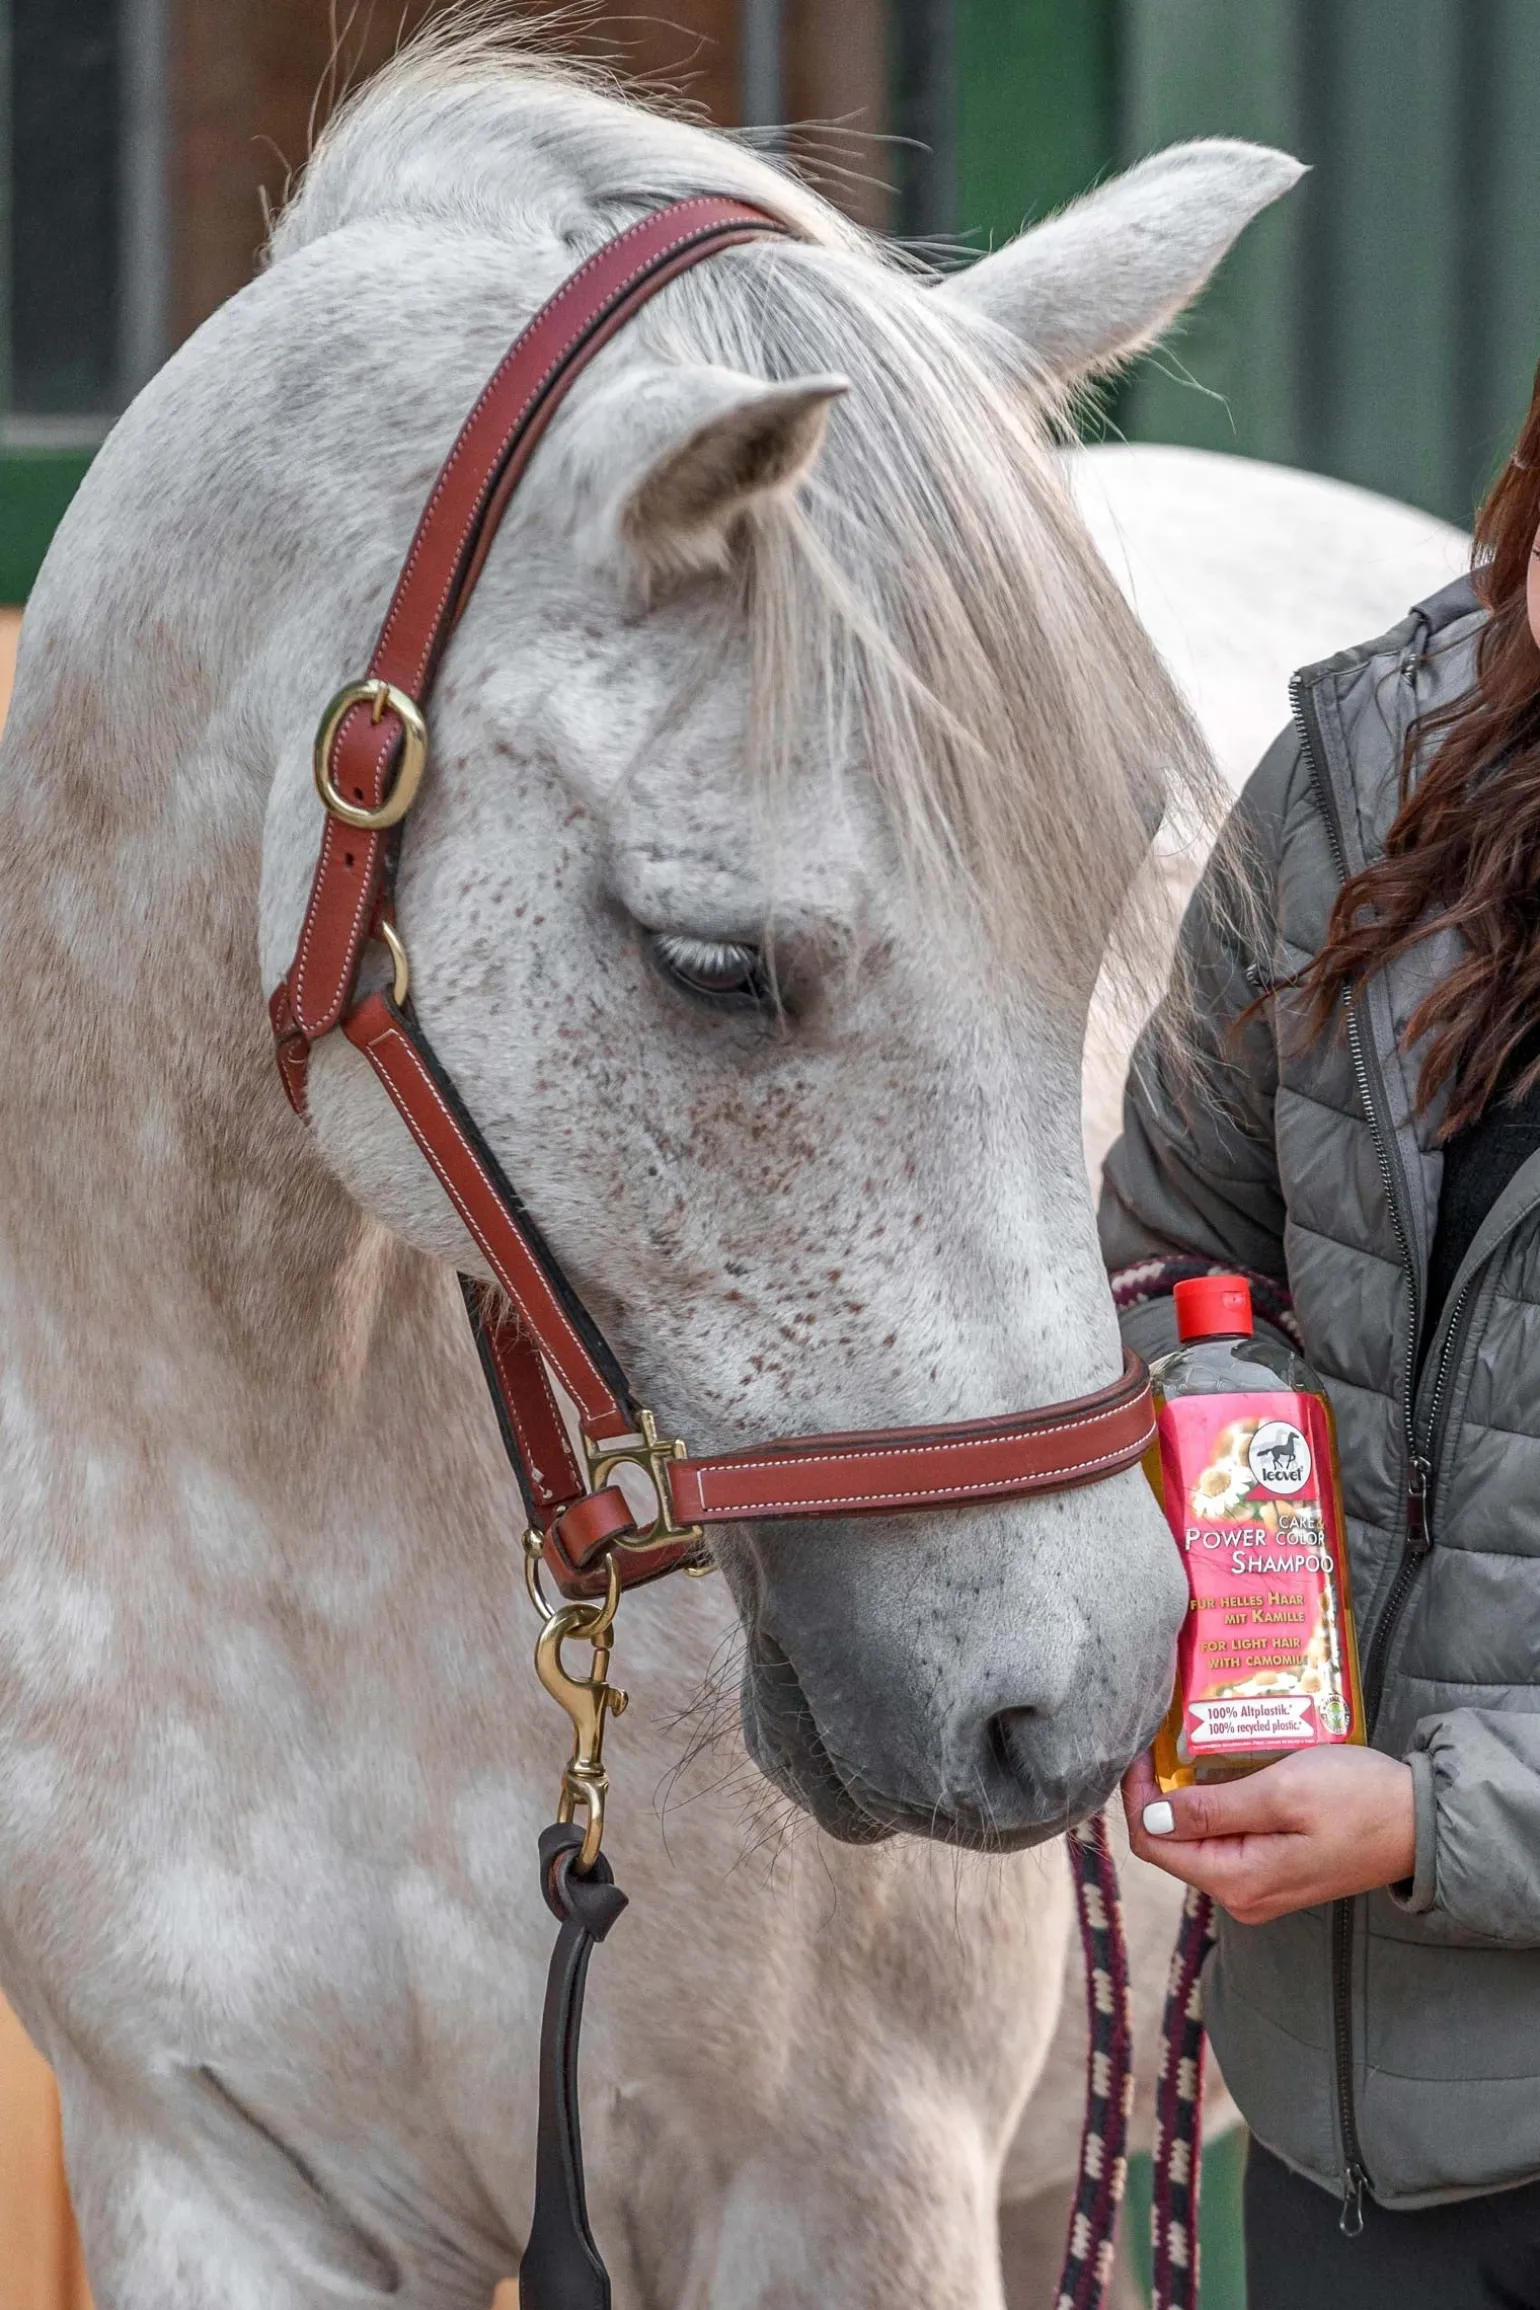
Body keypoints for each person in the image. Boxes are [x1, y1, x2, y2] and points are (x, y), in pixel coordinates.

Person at [1103, 372, 1540, 2309]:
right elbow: (1172, 1239)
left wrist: (1425, 1823)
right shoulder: (1353, 779)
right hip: (1333, 2123)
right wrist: (1217, 1556)